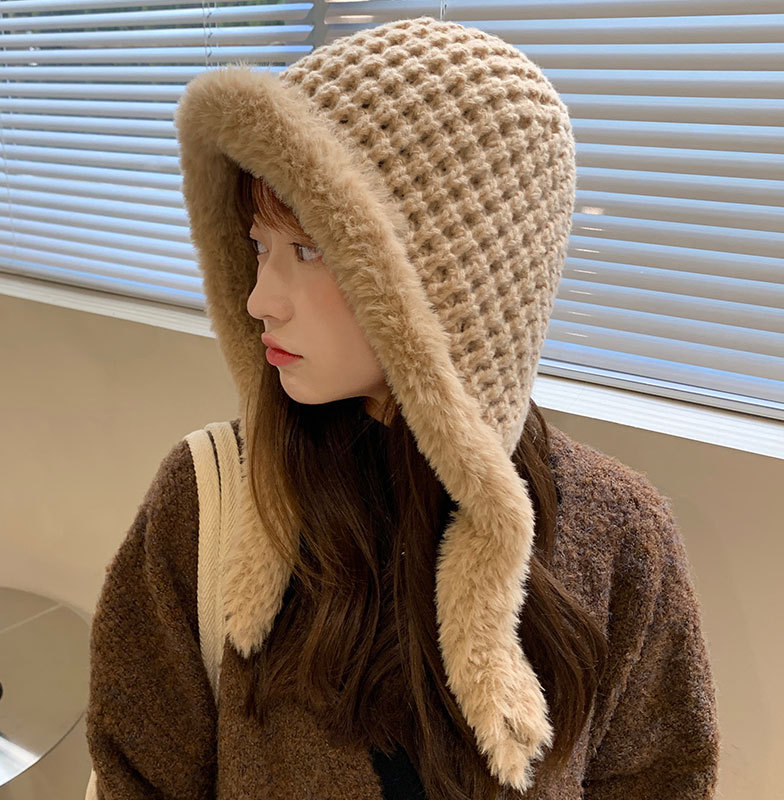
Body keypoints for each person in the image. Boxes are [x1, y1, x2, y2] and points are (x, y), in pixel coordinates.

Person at [85, 15, 720, 800]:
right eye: (257, 246)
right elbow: (137, 775)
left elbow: (662, 777)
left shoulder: (620, 536)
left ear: (453, 275)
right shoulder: (208, 501)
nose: (259, 300)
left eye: (309, 250)